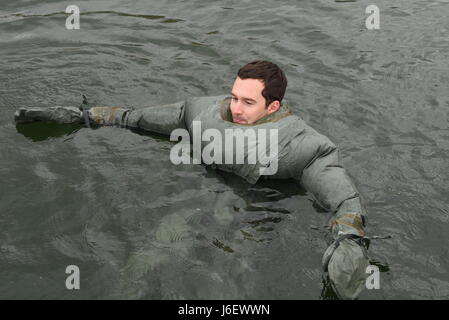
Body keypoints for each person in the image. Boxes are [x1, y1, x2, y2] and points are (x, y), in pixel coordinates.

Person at [14, 60, 371, 299]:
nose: (236, 108)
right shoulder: (201, 112)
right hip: (201, 196)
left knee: (230, 279)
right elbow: (135, 118)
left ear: (273, 107)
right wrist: (85, 116)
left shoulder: (300, 144)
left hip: (261, 210)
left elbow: (341, 197)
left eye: (248, 102)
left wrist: (349, 237)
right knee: (149, 256)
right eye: (233, 97)